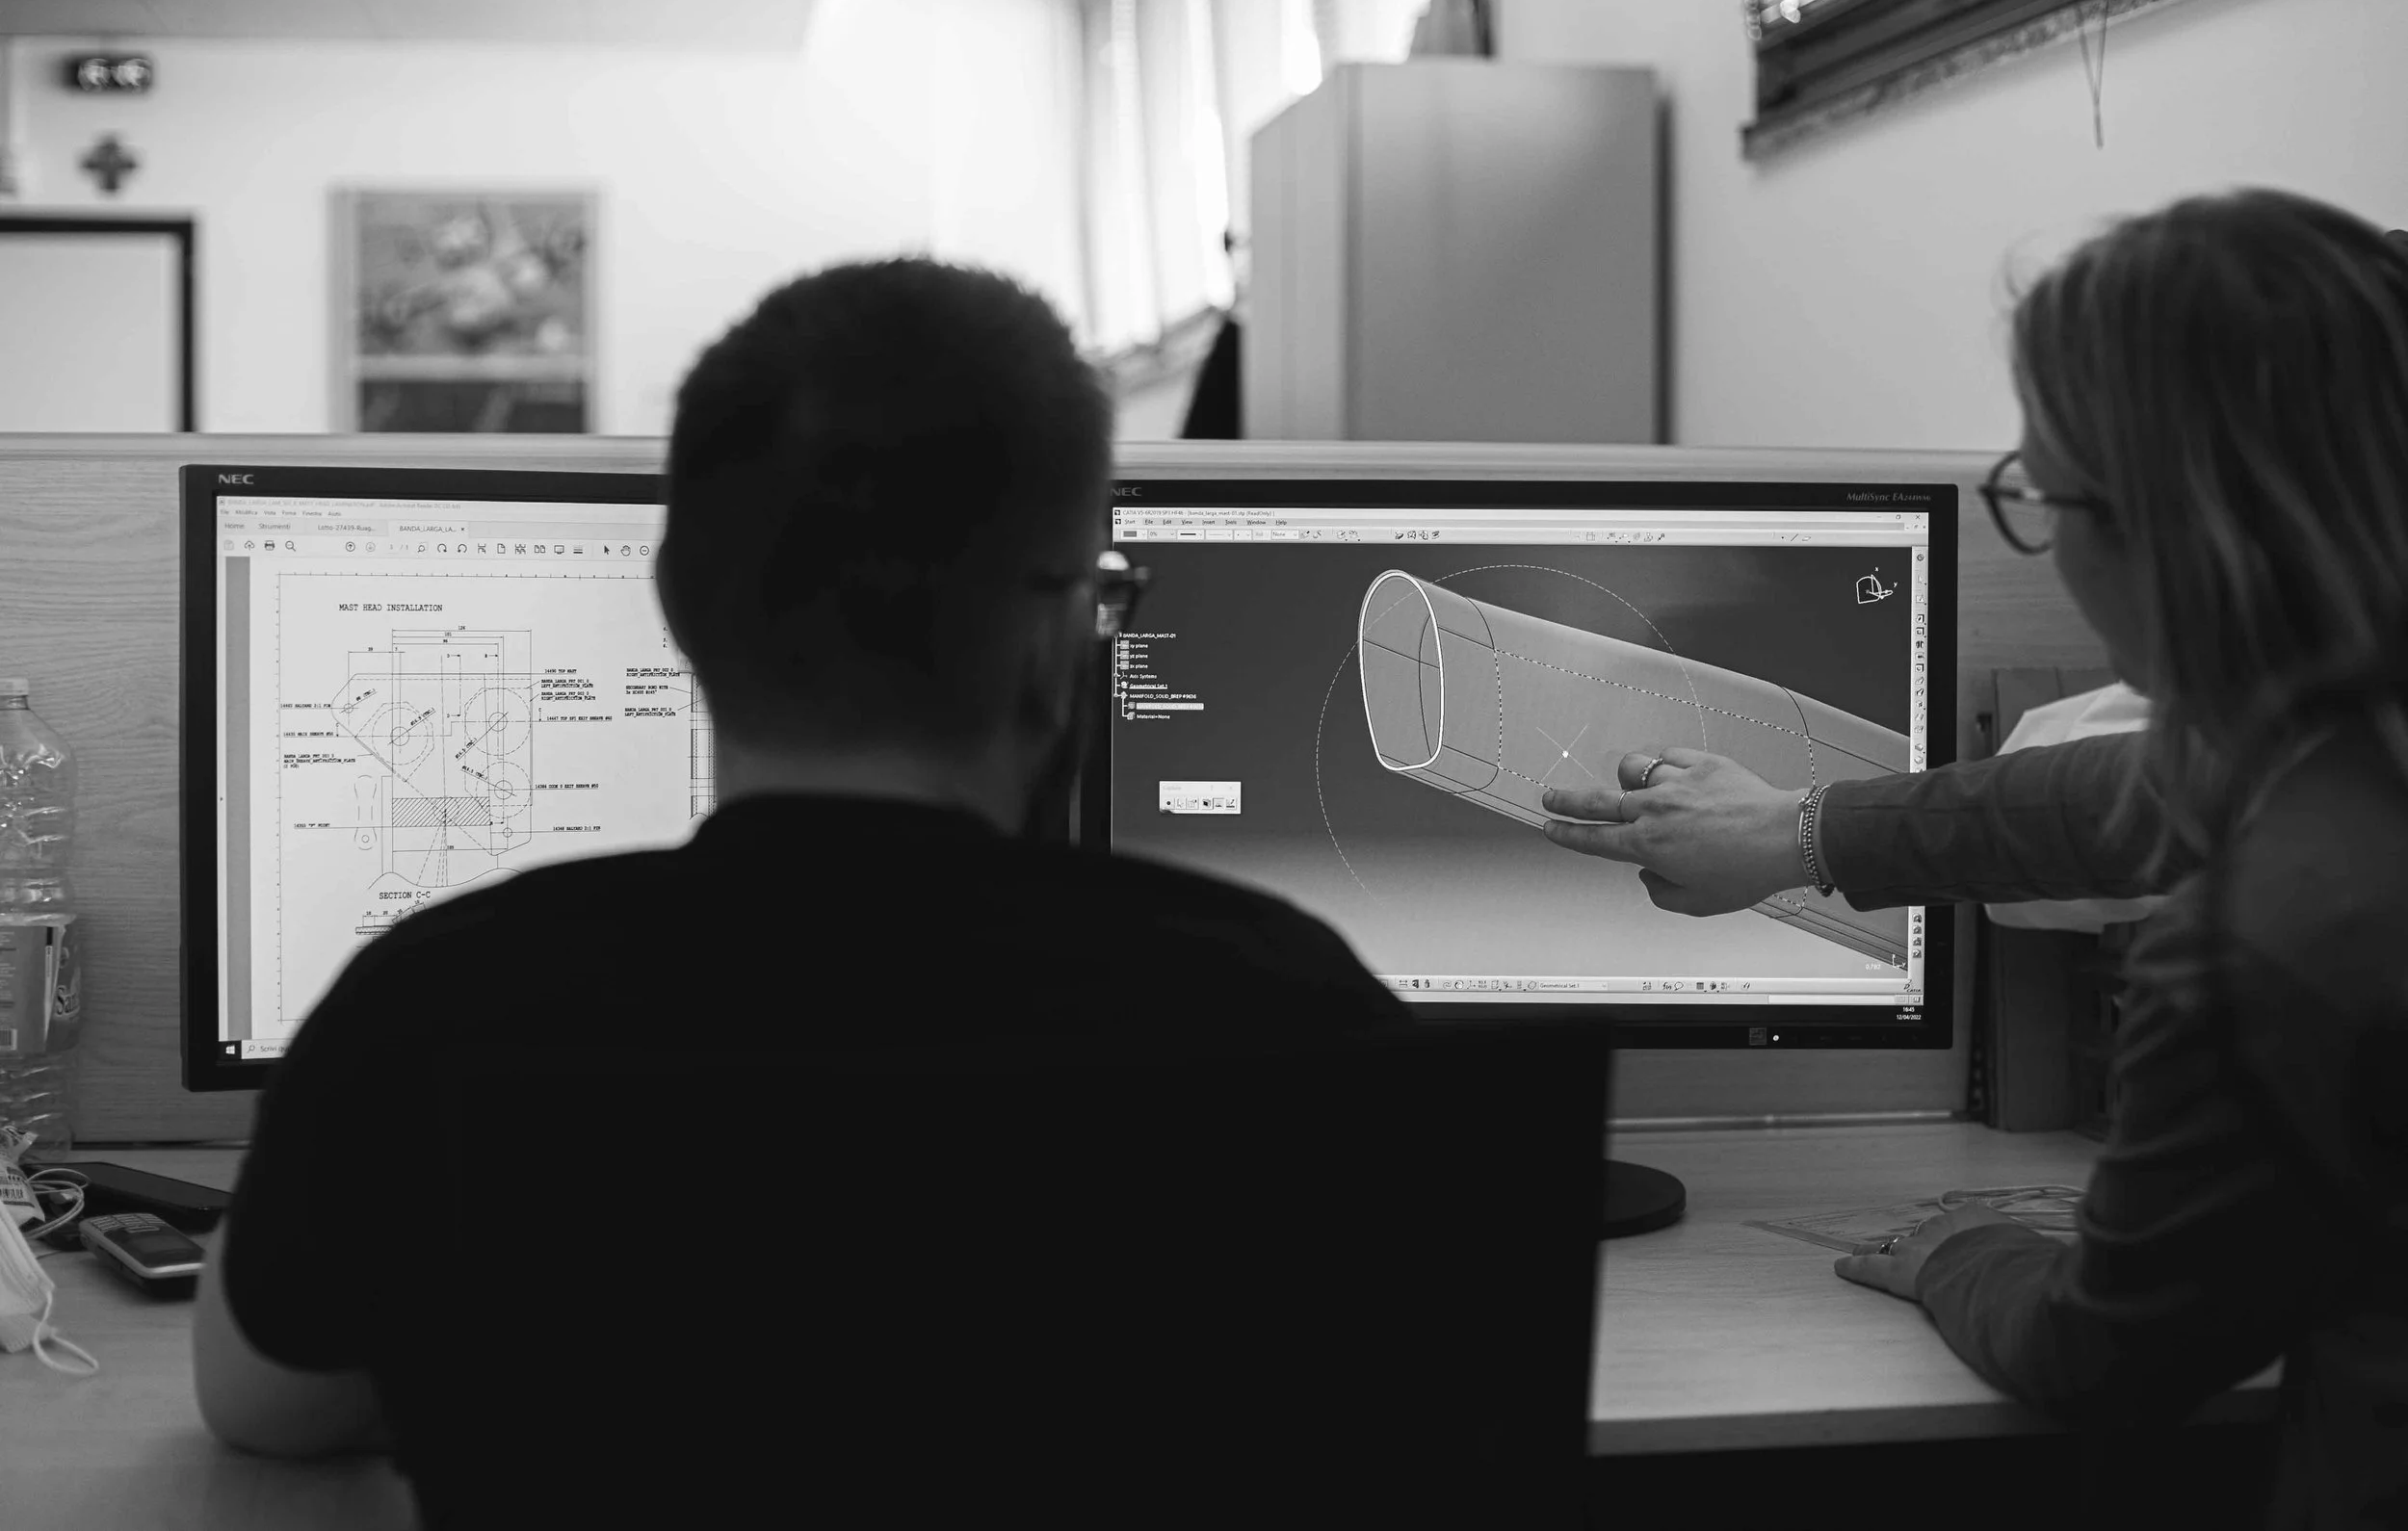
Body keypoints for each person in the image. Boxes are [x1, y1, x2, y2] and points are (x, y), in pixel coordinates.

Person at [191, 259, 1404, 1521]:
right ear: (1057, 639)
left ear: (676, 604)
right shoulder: (1292, 1008)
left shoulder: (432, 1006)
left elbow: (265, 1406)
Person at [1537, 190, 2408, 1527]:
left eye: (2042, 497)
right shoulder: (2347, 773)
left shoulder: (2261, 944)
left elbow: (2105, 1356)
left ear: (2165, 538)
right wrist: (1803, 830)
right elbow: (2145, 790)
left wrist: (1965, 1248)